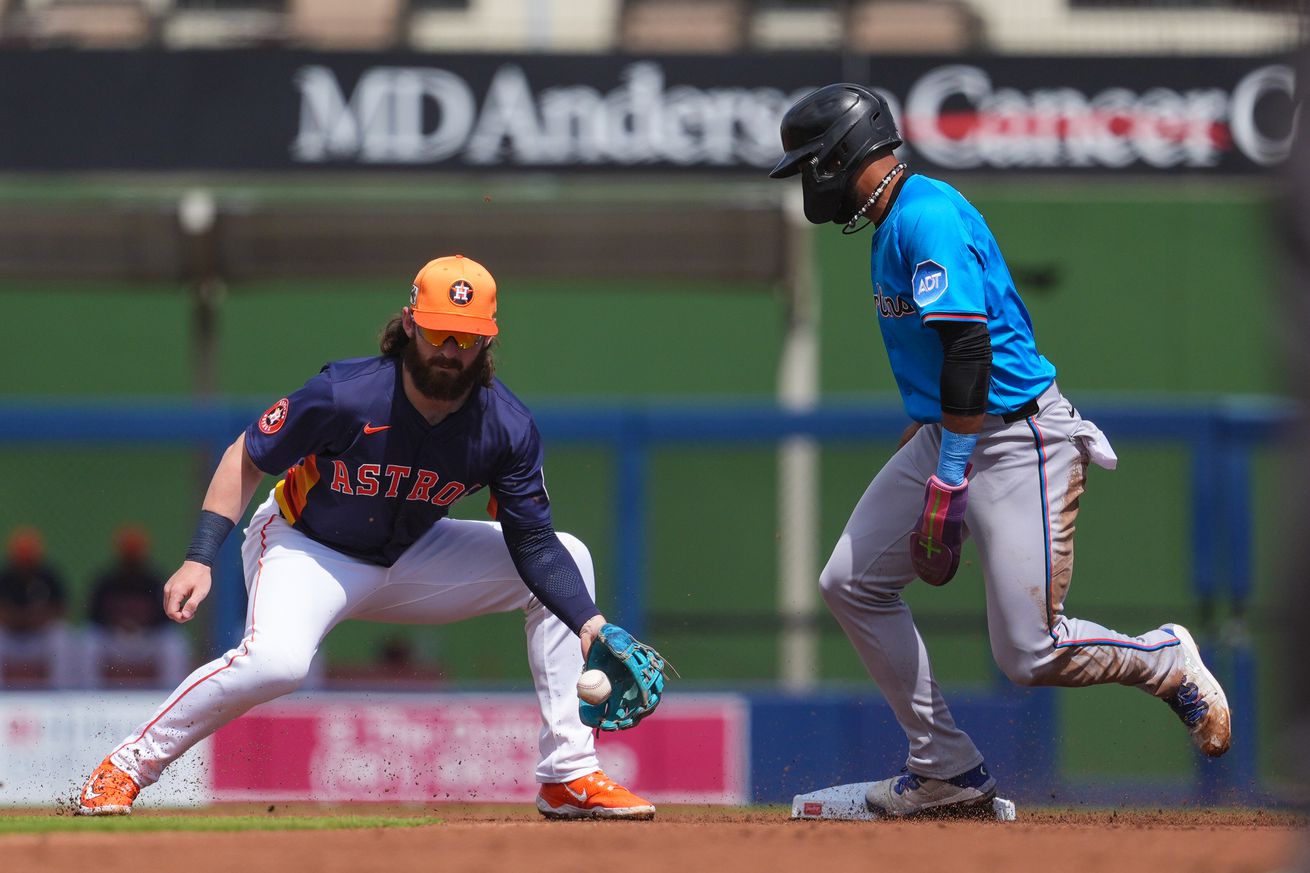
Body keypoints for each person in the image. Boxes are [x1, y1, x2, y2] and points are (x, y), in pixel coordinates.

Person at [768, 84, 1231, 817]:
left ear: (835, 157)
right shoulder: (894, 222)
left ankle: (1165, 658)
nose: (805, 182)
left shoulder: (926, 214)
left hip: (1019, 438)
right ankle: (945, 770)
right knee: (849, 581)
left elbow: (969, 346)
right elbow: (941, 364)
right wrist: (928, 441)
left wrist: (946, 478)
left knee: (1030, 653)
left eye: (806, 166)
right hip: (950, 432)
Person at [76, 254, 657, 820]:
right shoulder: (346, 394)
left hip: (412, 555)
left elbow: (530, 542)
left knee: (569, 556)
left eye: (467, 337)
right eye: (438, 333)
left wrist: (590, 624)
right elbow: (246, 456)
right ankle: (129, 765)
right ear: (409, 324)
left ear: (488, 340)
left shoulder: (505, 426)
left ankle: (567, 776)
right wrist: (200, 557)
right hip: (306, 546)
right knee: (277, 664)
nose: (451, 352)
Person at [81, 525, 191, 688]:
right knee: (88, 643)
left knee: (174, 644)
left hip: (146, 639)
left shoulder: (155, 580)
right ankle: (87, 696)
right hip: (114, 639)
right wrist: (118, 624)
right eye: (128, 555)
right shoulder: (106, 582)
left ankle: (170, 695)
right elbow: (93, 616)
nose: (132, 559)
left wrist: (141, 625)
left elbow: (167, 616)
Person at [0, 525, 79, 688]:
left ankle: (60, 692)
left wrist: (32, 619)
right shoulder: (5, 578)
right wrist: (24, 618)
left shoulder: (48, 577)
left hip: (40, 638)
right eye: (22, 558)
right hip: (11, 637)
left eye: (29, 558)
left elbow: (63, 610)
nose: (26, 564)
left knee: (61, 636)